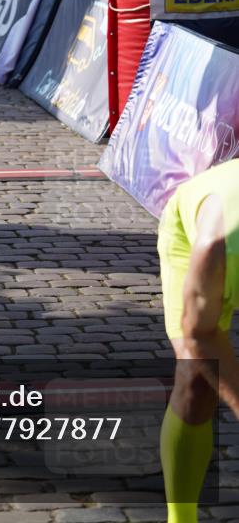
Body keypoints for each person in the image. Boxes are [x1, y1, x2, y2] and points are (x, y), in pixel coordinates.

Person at [157, 159, 239, 523]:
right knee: (196, 381)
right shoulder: (218, 247)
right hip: (190, 231)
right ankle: (182, 517)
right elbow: (200, 335)